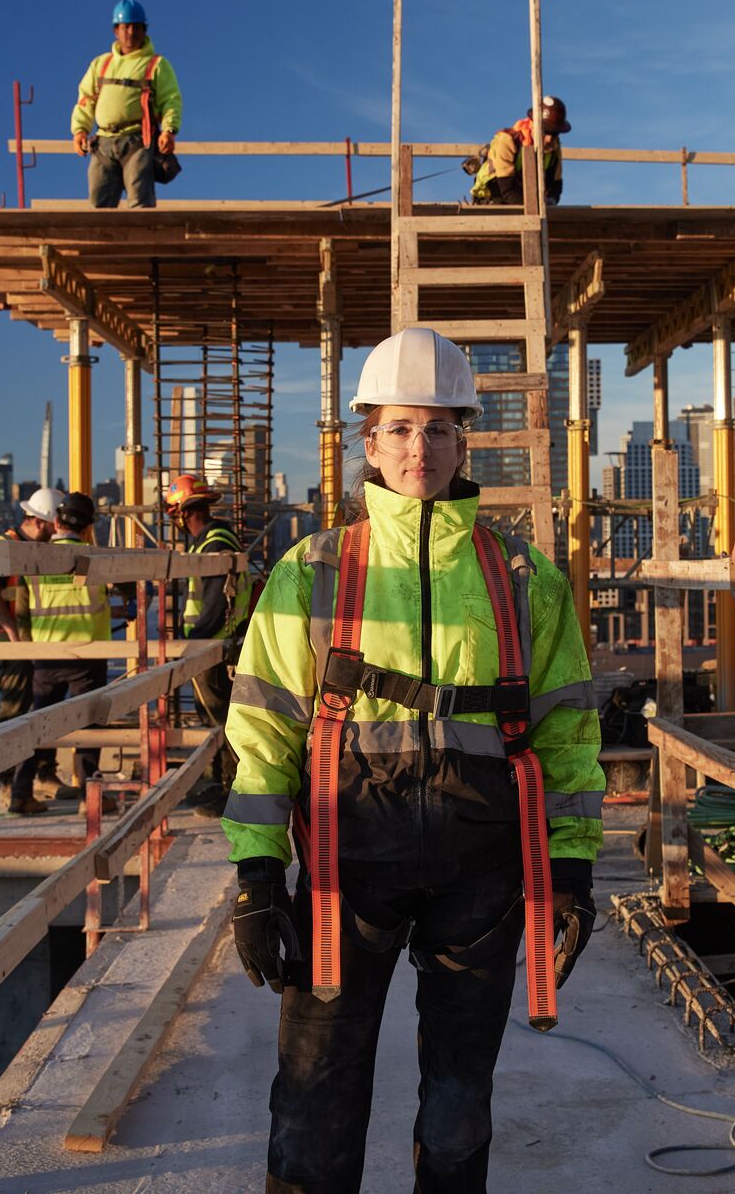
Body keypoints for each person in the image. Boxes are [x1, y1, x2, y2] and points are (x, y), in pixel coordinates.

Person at [222, 326, 603, 1192]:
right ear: (369, 438)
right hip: (343, 869)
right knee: (314, 1101)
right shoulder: (310, 572)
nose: (417, 448)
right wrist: (254, 877)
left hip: (483, 874)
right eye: (399, 428)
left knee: (461, 1105)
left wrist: (574, 871)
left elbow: (570, 736)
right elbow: (263, 734)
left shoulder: (524, 577)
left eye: (436, 428)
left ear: (464, 436)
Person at [164, 472, 250, 814]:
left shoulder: (214, 543)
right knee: (215, 717)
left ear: (186, 512)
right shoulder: (211, 541)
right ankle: (221, 785)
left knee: (220, 720)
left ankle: (231, 790)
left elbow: (216, 603)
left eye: (177, 515)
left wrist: (193, 644)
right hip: (213, 643)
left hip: (212, 646)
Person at [0, 487, 61, 815]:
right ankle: (9, 782)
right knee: (15, 710)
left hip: (34, 639)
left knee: (42, 708)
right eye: (55, 525)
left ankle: (42, 773)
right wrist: (13, 633)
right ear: (42, 522)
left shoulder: (37, 548)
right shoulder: (5, 546)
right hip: (11, 641)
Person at [25, 492, 112, 801]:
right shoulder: (96, 558)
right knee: (90, 727)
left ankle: (21, 790)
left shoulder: (35, 557)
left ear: (56, 521)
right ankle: (91, 795)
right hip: (88, 654)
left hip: (46, 655)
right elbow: (128, 587)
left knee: (38, 725)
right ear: (89, 525)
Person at [71, 0, 182, 210]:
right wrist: (79, 130)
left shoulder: (156, 65)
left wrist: (169, 130)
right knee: (98, 205)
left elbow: (171, 100)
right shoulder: (101, 64)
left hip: (138, 142)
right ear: (116, 31)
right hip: (103, 143)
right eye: (125, 27)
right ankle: (102, 244)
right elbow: (86, 99)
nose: (130, 32)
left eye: (136, 27)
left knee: (140, 205)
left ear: (144, 30)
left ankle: (142, 243)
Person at [468, 96, 569, 206]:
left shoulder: (554, 147)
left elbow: (556, 187)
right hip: (493, 199)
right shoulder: (507, 141)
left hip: (528, 202)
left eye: (554, 133)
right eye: (546, 131)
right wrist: (534, 208)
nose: (549, 139)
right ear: (533, 125)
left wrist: (550, 202)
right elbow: (507, 189)